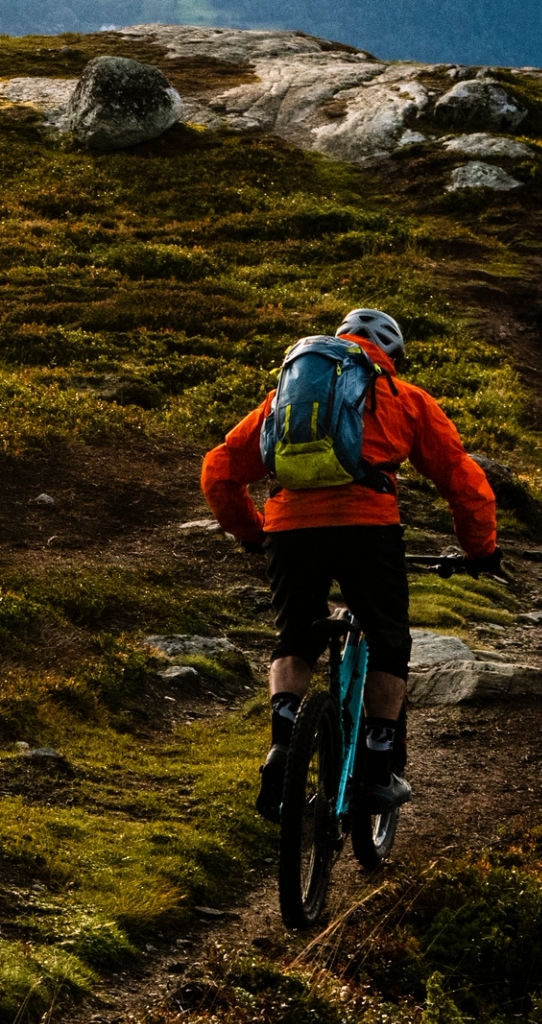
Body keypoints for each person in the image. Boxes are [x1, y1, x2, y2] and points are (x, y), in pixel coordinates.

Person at [198, 307, 499, 810]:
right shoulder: (404, 397)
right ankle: (378, 766)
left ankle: (282, 741)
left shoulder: (287, 399)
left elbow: (218, 471)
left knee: (295, 635)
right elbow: (462, 480)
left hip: (291, 530)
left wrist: (253, 532)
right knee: (388, 642)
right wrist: (480, 550)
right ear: (393, 355)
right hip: (367, 529)